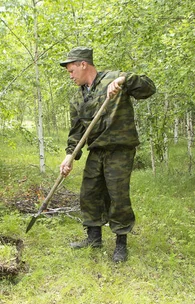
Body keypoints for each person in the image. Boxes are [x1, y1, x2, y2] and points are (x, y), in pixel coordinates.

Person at [59, 46, 156, 263]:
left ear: (83, 64)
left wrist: (124, 81)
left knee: (117, 195)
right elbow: (77, 130)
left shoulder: (114, 79)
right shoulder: (78, 99)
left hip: (120, 149)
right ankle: (94, 238)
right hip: (97, 149)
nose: (70, 76)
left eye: (71, 70)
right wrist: (69, 156)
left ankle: (121, 244)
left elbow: (148, 88)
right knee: (89, 192)